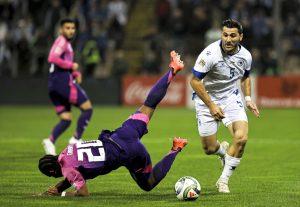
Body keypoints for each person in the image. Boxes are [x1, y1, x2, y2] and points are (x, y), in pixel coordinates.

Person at [38, 51, 187, 197]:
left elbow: (83, 192)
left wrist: (64, 193)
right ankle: (172, 70)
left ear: (52, 172)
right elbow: (77, 169)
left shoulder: (68, 171)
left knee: (148, 183)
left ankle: (176, 148)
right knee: (149, 104)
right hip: (122, 134)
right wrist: (60, 186)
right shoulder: (66, 152)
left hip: (129, 151)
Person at [190, 19, 260, 193]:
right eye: (225, 35)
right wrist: (212, 105)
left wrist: (249, 98)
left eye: (233, 35)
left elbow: (245, 76)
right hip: (207, 99)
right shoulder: (209, 54)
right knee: (209, 148)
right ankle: (222, 152)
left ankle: (223, 180)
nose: (228, 39)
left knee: (241, 138)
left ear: (240, 37)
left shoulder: (246, 56)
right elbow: (195, 81)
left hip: (231, 98)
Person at [42, 18, 93, 155]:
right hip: (62, 83)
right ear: (61, 30)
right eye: (67, 28)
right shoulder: (62, 42)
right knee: (87, 108)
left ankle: (50, 140)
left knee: (66, 119)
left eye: (72, 28)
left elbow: (61, 62)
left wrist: (74, 72)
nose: (70, 31)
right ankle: (76, 140)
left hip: (53, 85)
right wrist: (72, 66)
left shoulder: (66, 44)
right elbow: (52, 58)